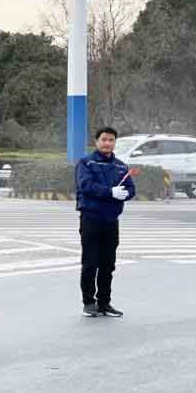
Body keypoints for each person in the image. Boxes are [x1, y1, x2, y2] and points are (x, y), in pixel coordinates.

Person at [75, 127, 135, 317]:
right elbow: (86, 186)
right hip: (91, 218)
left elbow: (130, 187)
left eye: (111, 140)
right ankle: (89, 303)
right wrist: (110, 192)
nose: (107, 143)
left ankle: (104, 302)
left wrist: (126, 194)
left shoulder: (120, 166)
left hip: (111, 220)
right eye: (104, 139)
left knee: (108, 264)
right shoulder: (86, 163)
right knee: (90, 263)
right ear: (97, 142)